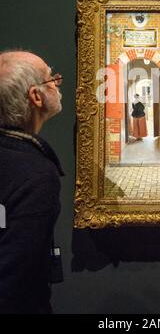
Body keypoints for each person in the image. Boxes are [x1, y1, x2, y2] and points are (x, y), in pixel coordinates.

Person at [0, 50, 64, 314]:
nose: (58, 84)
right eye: (51, 79)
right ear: (36, 96)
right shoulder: (36, 174)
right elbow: (17, 278)